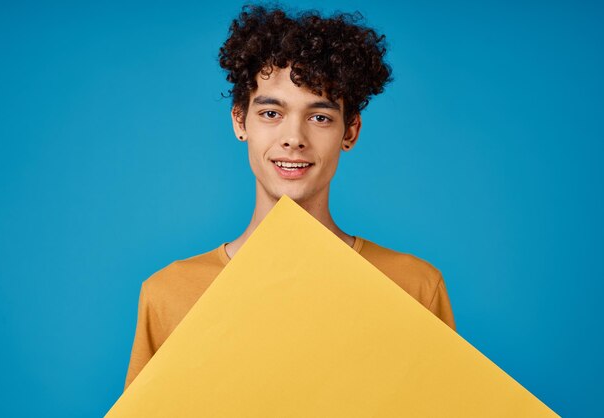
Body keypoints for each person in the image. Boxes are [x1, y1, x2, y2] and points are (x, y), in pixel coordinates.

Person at [124, 4, 456, 390]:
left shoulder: (414, 287)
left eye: (320, 117)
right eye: (270, 113)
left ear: (350, 132)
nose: (294, 138)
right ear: (239, 121)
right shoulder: (168, 295)